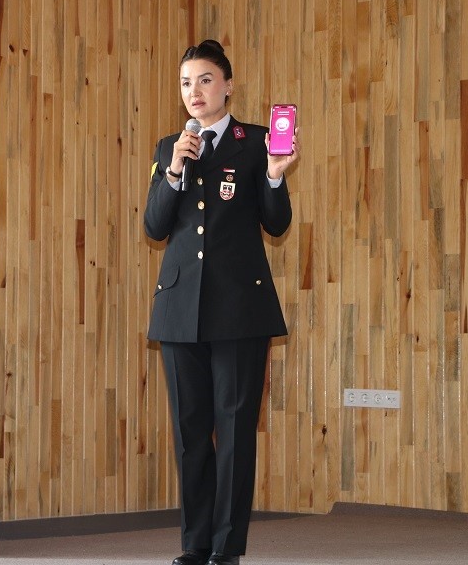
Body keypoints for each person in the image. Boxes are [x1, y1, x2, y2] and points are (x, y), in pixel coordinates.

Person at [143, 40, 298, 565]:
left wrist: (275, 174)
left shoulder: (254, 143)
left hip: (238, 309)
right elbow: (154, 226)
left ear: (228, 86)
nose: (195, 91)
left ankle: (226, 548)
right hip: (179, 308)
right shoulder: (171, 146)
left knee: (233, 432)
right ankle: (196, 543)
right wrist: (173, 172)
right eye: (186, 82)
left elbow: (276, 223)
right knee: (190, 433)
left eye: (205, 80)